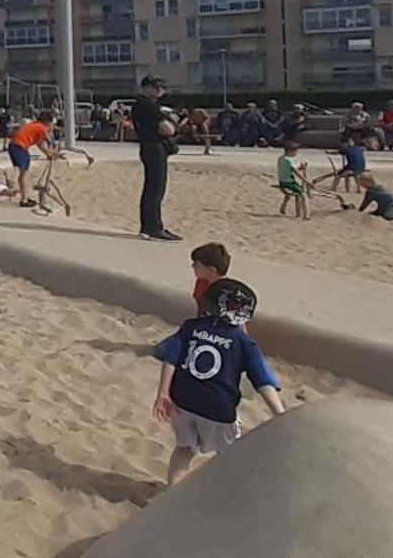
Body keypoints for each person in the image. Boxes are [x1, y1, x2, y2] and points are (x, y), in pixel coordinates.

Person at [151, 278, 286, 485]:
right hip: (218, 408)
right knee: (228, 455)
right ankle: (222, 498)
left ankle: (172, 493)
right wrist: (280, 414)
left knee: (184, 449)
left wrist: (163, 393)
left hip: (182, 401)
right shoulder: (244, 343)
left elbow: (170, 358)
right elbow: (262, 380)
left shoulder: (190, 327)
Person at [133, 76, 181, 241]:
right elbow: (167, 129)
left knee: (152, 188)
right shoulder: (146, 105)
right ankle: (153, 227)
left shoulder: (143, 105)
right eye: (156, 86)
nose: (160, 90)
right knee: (156, 189)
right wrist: (173, 127)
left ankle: (150, 225)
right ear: (146, 87)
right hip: (153, 147)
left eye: (161, 87)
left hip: (149, 147)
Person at [7, 110, 60, 208]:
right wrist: (52, 153)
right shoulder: (41, 128)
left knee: (24, 172)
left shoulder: (35, 125)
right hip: (19, 146)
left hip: (17, 146)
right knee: (23, 173)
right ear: (47, 122)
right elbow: (46, 144)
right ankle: (23, 199)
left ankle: (25, 197)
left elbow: (39, 144)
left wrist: (49, 154)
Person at [189, 242, 231, 307]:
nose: (193, 266)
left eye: (196, 264)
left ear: (211, 269)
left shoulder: (226, 293)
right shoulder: (201, 282)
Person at [276, 141, 310, 220]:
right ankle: (306, 215)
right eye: (296, 151)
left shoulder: (281, 158)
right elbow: (297, 173)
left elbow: (288, 170)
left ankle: (283, 208)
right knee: (303, 195)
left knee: (290, 194)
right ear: (290, 151)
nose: (296, 153)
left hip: (282, 182)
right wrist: (307, 182)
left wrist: (301, 168)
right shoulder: (289, 160)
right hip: (289, 182)